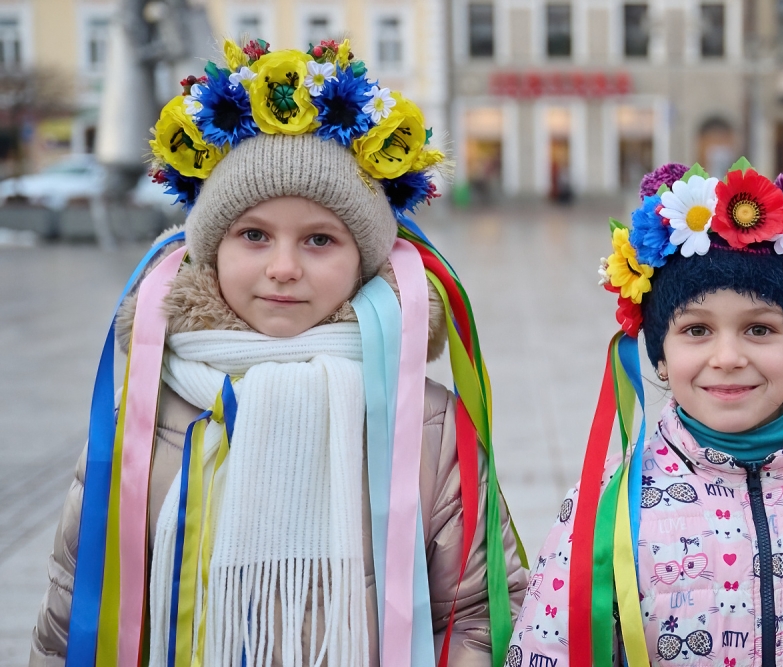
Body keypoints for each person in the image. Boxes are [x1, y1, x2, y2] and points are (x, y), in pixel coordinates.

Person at [30, 38, 525, 667]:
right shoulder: (144, 420)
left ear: (364, 262)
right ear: (211, 248)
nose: (283, 268)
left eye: (319, 239)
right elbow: (74, 612)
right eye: (254, 236)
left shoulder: (426, 426)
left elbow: (480, 614)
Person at [505, 161, 783, 667]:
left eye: (759, 330)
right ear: (659, 353)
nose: (727, 357)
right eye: (696, 330)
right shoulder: (603, 514)